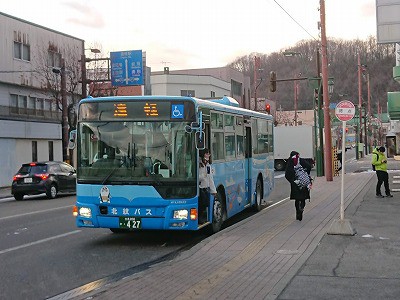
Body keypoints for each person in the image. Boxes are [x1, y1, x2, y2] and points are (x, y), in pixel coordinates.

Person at [285, 151, 312, 221]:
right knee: (303, 197)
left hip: (295, 182)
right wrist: (306, 173)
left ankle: (298, 212)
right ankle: (302, 207)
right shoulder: (301, 160)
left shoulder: (290, 162)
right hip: (303, 181)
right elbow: (309, 166)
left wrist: (292, 180)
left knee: (297, 198)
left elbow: (287, 174)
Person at [198, 148, 217, 224]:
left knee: (206, 203)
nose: (208, 155)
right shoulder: (198, 164)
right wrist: (203, 176)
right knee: (202, 203)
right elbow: (196, 177)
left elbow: (210, 178)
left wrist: (213, 190)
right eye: (207, 153)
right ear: (203, 155)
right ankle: (200, 218)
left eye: (209, 153)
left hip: (205, 188)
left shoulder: (208, 165)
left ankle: (201, 217)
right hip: (200, 188)